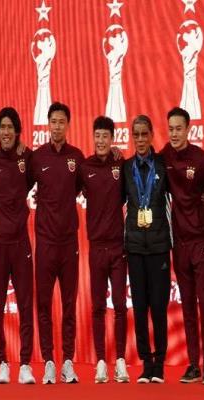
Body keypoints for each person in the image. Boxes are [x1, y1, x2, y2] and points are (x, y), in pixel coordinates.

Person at [28, 102, 84, 384]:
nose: (57, 126)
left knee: (69, 304)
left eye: (62, 122)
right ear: (48, 124)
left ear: (68, 125)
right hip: (45, 243)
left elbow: (86, 185)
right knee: (44, 304)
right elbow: (20, 181)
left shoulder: (77, 157)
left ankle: (68, 362)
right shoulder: (37, 157)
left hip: (69, 242)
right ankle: (49, 361)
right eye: (53, 122)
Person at [161, 107, 204, 384]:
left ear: (188, 130)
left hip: (202, 241)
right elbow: (143, 163)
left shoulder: (202, 159)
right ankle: (194, 364)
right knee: (188, 307)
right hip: (179, 243)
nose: (174, 134)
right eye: (170, 129)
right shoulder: (165, 157)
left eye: (178, 129)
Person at [0, 107, 35, 384]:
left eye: (10, 128)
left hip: (21, 241)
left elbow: (47, 174)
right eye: (2, 127)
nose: (5, 132)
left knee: (25, 303)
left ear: (17, 131)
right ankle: (2, 362)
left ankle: (25, 364)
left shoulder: (28, 158)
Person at [80, 116, 129, 383]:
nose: (100, 141)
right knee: (98, 306)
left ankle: (120, 360)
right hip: (96, 247)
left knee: (120, 305)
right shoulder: (84, 167)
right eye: (97, 136)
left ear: (112, 139)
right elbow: (65, 189)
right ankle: (100, 362)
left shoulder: (121, 165)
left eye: (105, 136)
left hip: (118, 247)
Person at [123, 115, 171, 384]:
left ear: (152, 135)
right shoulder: (126, 167)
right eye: (136, 135)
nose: (140, 140)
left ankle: (160, 363)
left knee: (159, 307)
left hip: (159, 246)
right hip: (134, 248)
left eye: (144, 134)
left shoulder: (163, 165)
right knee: (140, 307)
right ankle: (146, 362)